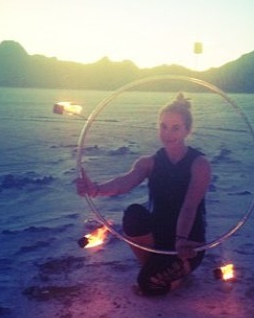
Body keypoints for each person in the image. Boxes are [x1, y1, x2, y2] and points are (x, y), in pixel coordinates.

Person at [75, 92, 211, 296]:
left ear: (187, 131)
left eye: (176, 128)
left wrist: (181, 239)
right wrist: (96, 189)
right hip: (159, 236)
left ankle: (180, 273)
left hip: (187, 243)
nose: (168, 133)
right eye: (163, 126)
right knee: (134, 214)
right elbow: (125, 182)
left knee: (149, 285)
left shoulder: (199, 164)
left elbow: (190, 206)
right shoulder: (150, 162)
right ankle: (153, 264)